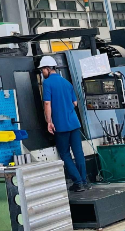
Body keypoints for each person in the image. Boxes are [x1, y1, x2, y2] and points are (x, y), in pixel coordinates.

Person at [39, 56, 88, 191]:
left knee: (65, 154)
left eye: (42, 70)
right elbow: (75, 103)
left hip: (60, 125)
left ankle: (78, 182)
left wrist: (49, 121)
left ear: (47, 69)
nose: (42, 72)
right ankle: (84, 181)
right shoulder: (67, 82)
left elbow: (47, 103)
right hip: (74, 123)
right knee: (78, 153)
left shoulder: (47, 83)